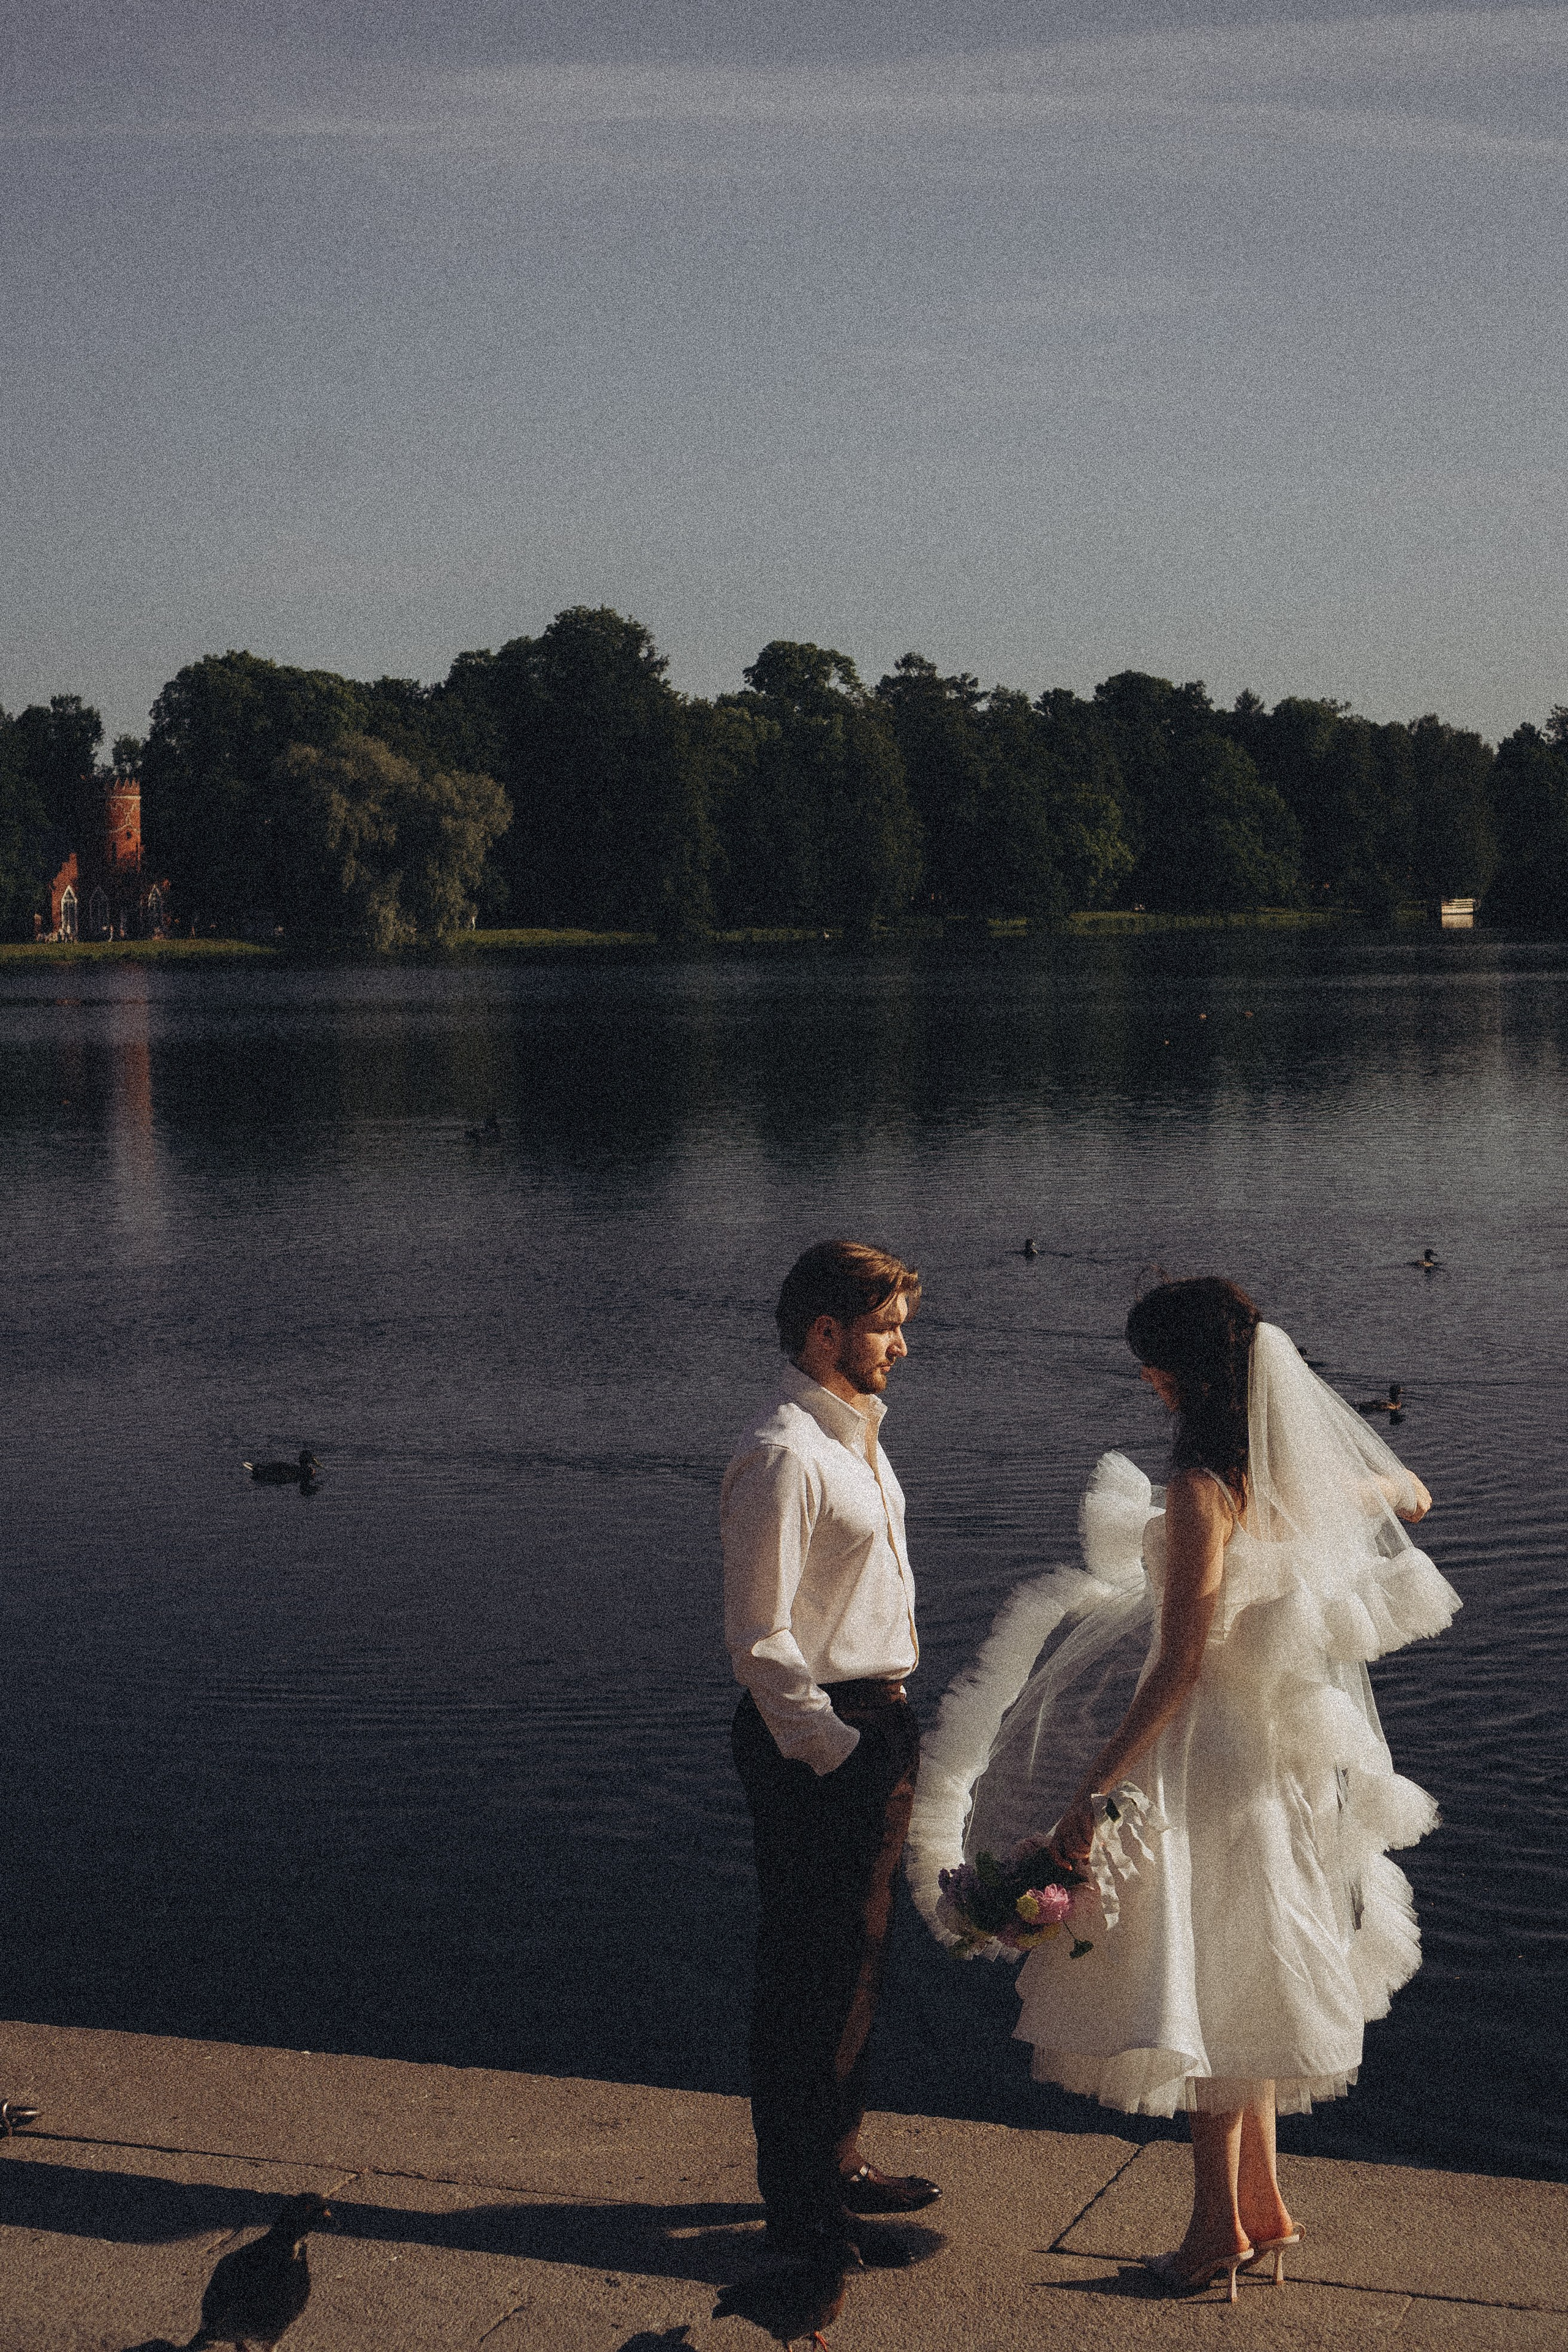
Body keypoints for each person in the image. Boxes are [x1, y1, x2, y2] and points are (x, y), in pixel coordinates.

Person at [907, 1277, 1460, 2299]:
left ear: (1190, 1374)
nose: (1149, 1385)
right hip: (1272, 1762)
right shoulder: (1284, 1476)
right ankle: (1262, 2212)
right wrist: (1370, 1491)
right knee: (1248, 1973)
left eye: (1152, 1366)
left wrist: (1091, 1792)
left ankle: (1214, 2232)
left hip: (1203, 1760)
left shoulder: (1207, 1483)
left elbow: (1180, 1660)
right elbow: (1411, 1492)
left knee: (1202, 1986)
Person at [723, 1239, 939, 2276]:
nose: (903, 1343)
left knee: (857, 1963)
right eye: (886, 1325)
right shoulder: (784, 1455)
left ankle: (836, 2163)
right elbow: (760, 1640)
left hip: (872, 1721)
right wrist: (837, 1751)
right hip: (819, 1736)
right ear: (825, 1332)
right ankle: (801, 2214)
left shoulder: (855, 1438)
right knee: (810, 1973)